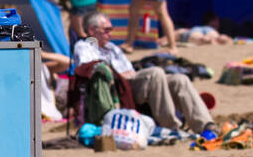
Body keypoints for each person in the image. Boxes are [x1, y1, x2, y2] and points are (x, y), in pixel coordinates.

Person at [76, 12, 214, 135]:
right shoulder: (84, 46)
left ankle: (205, 125)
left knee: (180, 79)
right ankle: (170, 126)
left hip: (133, 80)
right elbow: (88, 69)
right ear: (92, 30)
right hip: (117, 87)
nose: (110, 33)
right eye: (106, 30)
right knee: (155, 73)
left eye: (111, 29)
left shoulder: (112, 48)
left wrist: (128, 73)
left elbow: (129, 69)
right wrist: (118, 73)